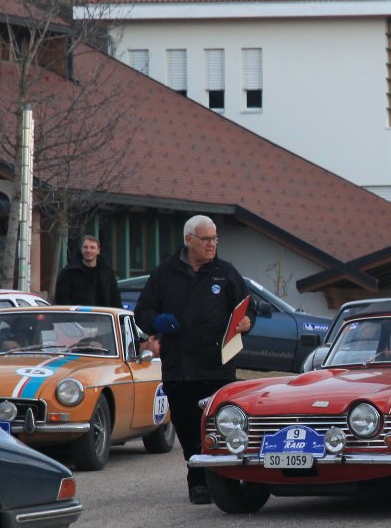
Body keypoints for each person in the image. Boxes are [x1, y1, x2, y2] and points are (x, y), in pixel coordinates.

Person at [134, 215, 252, 505]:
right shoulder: (164, 273)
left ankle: (222, 480)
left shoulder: (225, 273)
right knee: (187, 428)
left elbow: (248, 307)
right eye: (206, 239)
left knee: (218, 426)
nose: (212, 244)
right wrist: (156, 322)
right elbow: (142, 311)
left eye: (215, 239)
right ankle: (198, 480)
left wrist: (247, 321)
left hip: (216, 367)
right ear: (189, 240)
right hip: (179, 369)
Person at [54, 235, 122, 308]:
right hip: (77, 314)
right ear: (81, 250)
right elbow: (62, 300)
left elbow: (115, 299)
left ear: (98, 251)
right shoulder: (68, 273)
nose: (88, 250)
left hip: (102, 315)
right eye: (85, 247)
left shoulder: (107, 273)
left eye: (92, 247)